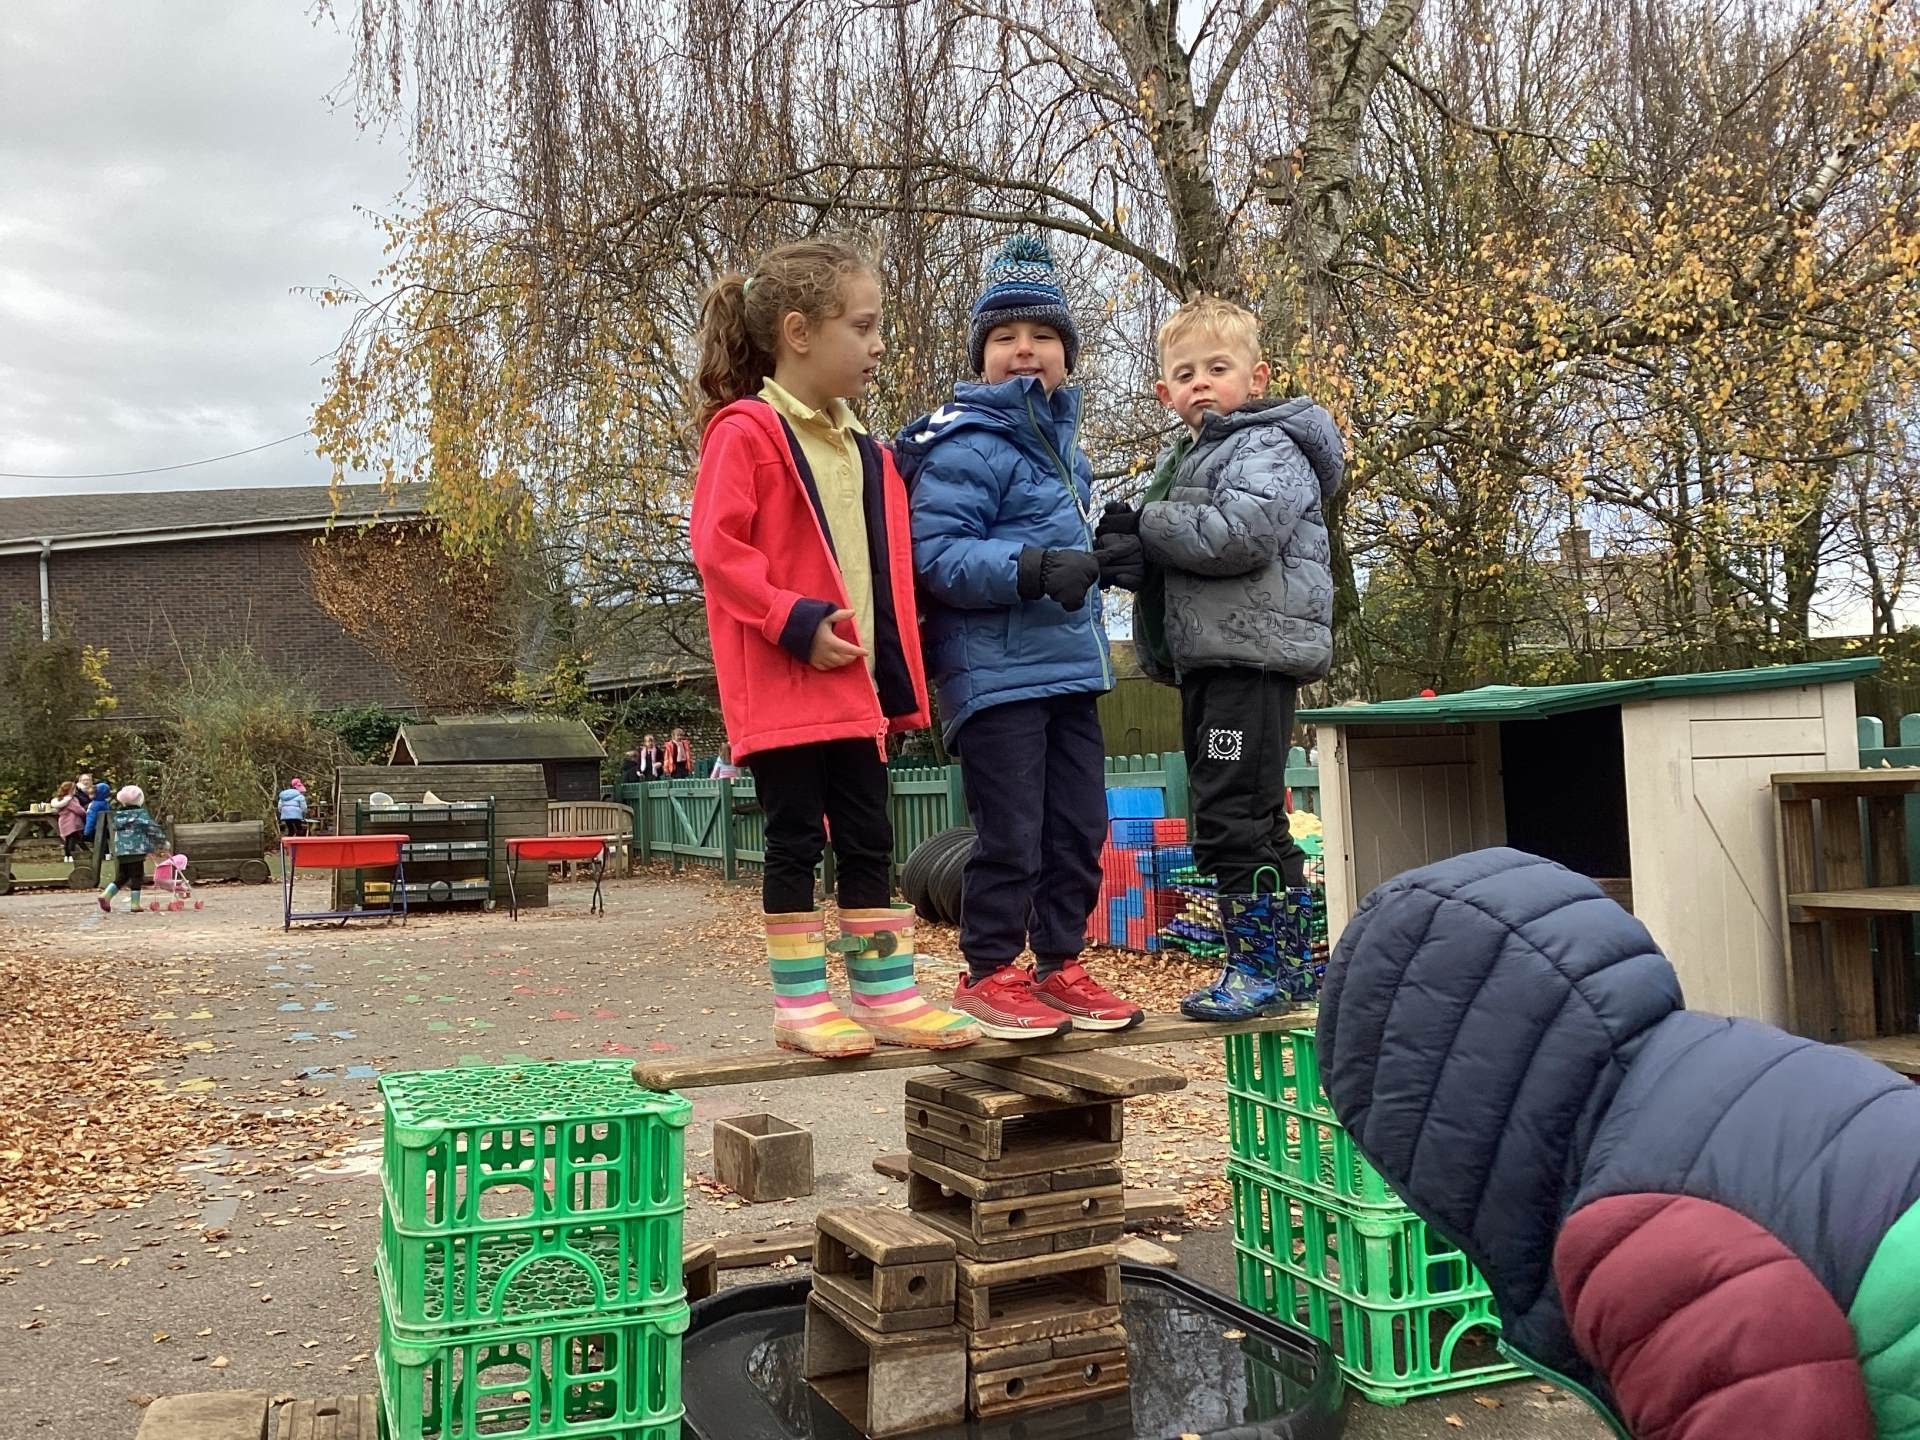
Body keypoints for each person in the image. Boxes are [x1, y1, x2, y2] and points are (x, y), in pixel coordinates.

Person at [690, 235, 976, 1057]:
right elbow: (717, 549)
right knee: (793, 838)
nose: (879, 343)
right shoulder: (746, 432)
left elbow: (889, 570)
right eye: (863, 325)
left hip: (856, 689)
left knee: (869, 836)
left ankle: (884, 993)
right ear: (799, 332)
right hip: (786, 683)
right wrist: (792, 620)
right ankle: (802, 1003)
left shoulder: (867, 451)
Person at [898, 234, 1144, 1040]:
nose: (1025, 349)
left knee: (1079, 826)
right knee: (1012, 830)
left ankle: (1059, 962)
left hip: (1070, 665)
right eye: (1004, 337)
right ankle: (989, 968)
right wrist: (1033, 568)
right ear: (982, 358)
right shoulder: (969, 444)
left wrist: (1109, 554)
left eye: (1042, 335)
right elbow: (937, 556)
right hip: (995, 673)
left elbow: (1063, 554)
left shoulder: (1066, 452)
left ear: (1067, 355)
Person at [1094, 296, 1345, 1018]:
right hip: (1213, 657)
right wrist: (1133, 558)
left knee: (1233, 816)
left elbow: (1240, 533)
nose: (1201, 382)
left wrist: (1147, 524)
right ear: (1163, 392)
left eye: (1218, 368)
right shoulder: (1188, 460)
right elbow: (1187, 554)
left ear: (1256, 378)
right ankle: (1290, 966)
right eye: (1185, 373)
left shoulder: (1269, 446)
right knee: (1250, 815)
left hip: (1249, 659)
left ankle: (1261, 968)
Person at [98, 785, 167, 913]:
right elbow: (152, 829)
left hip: (121, 851)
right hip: (136, 850)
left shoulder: (119, 816)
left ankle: (106, 895)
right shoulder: (140, 815)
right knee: (137, 876)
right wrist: (162, 842)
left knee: (123, 876)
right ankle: (135, 904)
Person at [53, 780, 87, 859]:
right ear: (70, 790)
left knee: (67, 840)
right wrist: (85, 813)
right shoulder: (71, 800)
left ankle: (67, 856)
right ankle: (71, 855)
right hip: (72, 823)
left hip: (63, 822)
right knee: (72, 839)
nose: (75, 791)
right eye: (74, 789)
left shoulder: (60, 800)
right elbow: (79, 810)